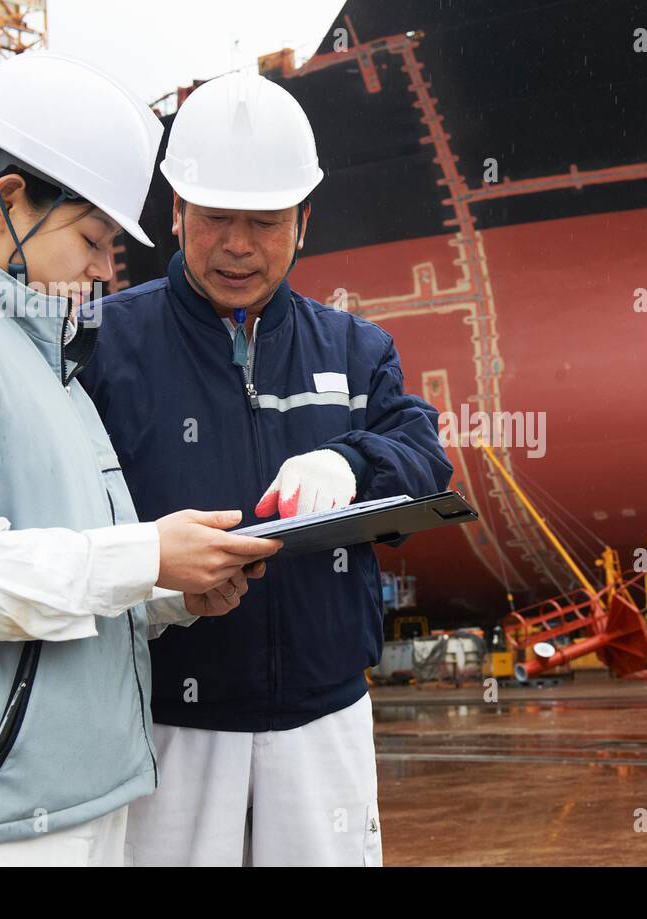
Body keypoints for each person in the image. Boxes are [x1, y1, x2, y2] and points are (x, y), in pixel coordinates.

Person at [0, 52, 280, 865]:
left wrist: (170, 589)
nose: (104, 267)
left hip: (74, 791)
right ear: (8, 201)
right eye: (92, 237)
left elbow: (63, 574)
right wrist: (146, 551)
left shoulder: (44, 362)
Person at [78, 73, 453, 866]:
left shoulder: (355, 348)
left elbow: (424, 456)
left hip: (325, 719)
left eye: (265, 221)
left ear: (304, 223)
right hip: (168, 721)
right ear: (176, 211)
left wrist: (348, 460)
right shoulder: (102, 346)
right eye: (215, 218)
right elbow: (58, 516)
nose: (238, 245)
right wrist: (151, 577)